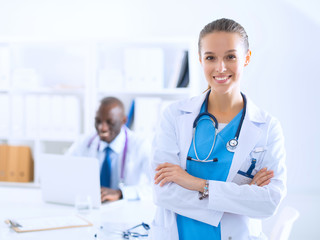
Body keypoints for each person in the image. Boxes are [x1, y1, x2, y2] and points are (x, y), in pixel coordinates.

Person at [152, 18, 287, 240]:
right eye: (210, 58)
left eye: (231, 56)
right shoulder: (174, 116)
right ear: (200, 60)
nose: (220, 67)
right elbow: (164, 192)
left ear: (247, 58)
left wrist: (196, 184)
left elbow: (269, 202)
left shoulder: (267, 127)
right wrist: (241, 197)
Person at [67, 97, 151, 202]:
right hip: (91, 205)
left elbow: (156, 188)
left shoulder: (140, 145)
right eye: (98, 121)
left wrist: (121, 193)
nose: (103, 128)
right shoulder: (84, 142)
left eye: (110, 122)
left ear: (124, 120)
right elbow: (65, 172)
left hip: (126, 209)